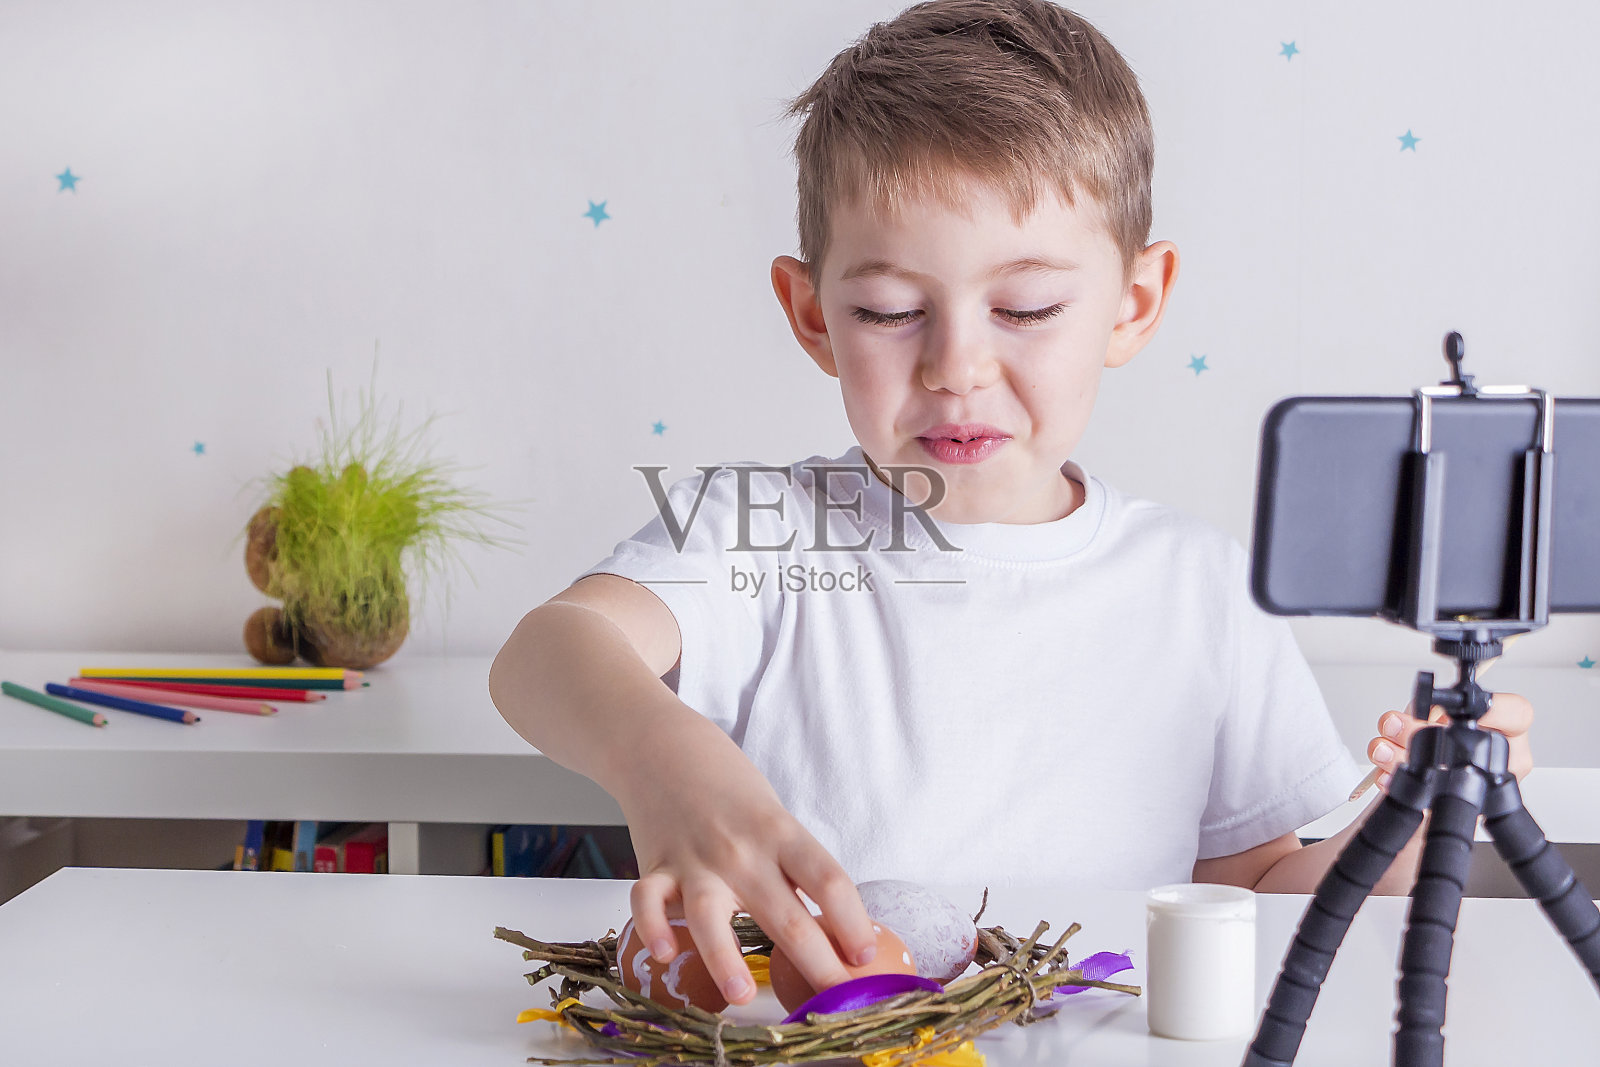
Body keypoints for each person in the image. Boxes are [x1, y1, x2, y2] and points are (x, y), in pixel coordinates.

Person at [488, 0, 1534, 1010]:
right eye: (890, 311)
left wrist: (1408, 821)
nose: (957, 366)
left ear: (1133, 304)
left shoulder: (1200, 585)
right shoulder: (754, 531)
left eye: (1025, 307)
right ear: (812, 315)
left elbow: (1256, 894)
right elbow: (547, 650)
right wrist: (663, 760)